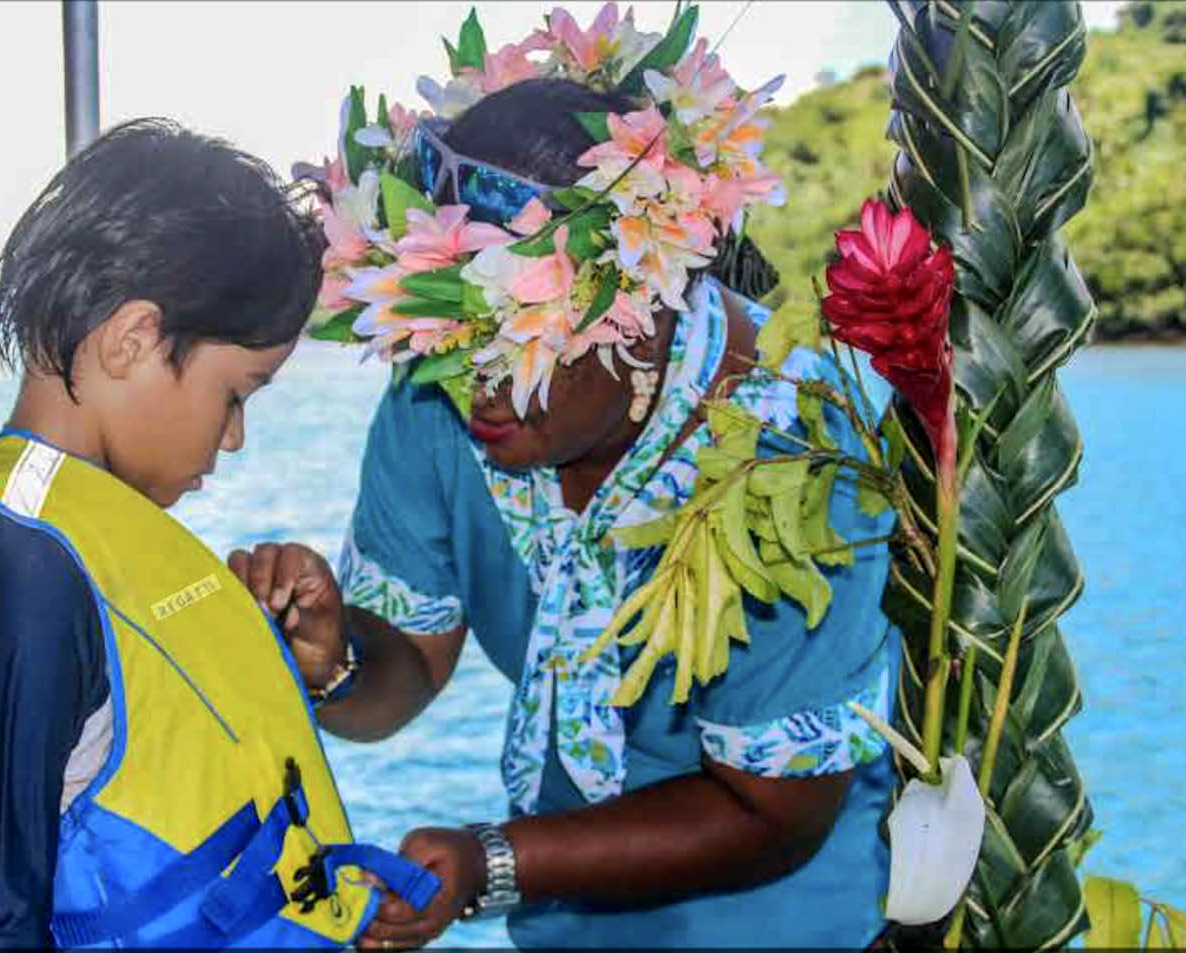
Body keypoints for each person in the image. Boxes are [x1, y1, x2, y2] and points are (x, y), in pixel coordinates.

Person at [236, 8, 899, 948]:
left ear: (636, 316)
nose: (477, 389)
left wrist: (495, 861)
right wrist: (334, 655)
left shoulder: (795, 450)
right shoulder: (441, 402)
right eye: (446, 342)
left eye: (515, 347)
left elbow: (774, 813)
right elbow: (410, 667)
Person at [0, 118, 436, 949]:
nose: (233, 435)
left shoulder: (79, 529)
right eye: (236, 393)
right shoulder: (16, 564)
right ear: (133, 339)